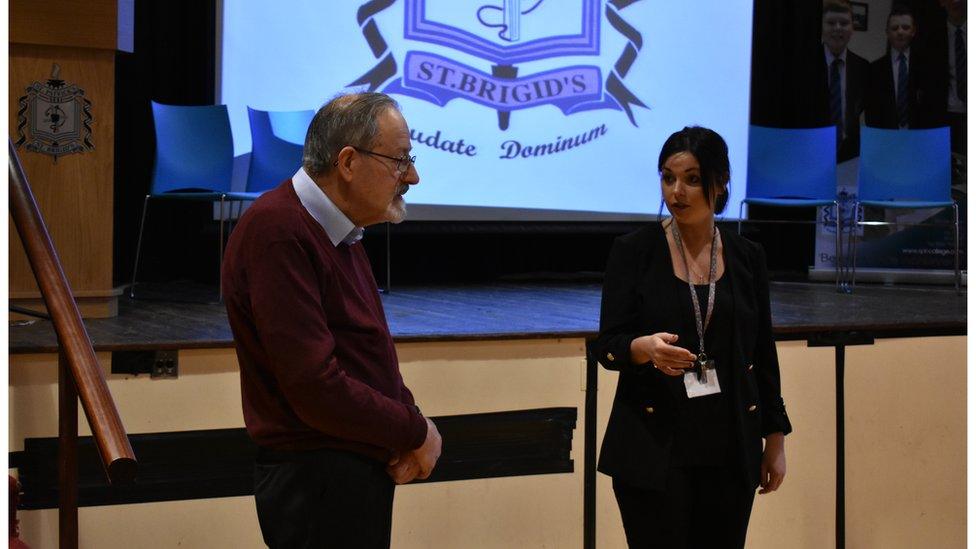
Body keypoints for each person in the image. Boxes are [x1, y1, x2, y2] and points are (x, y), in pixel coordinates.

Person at [222, 92, 441, 548]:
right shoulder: (279, 231)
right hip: (317, 477)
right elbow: (315, 386)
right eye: (400, 161)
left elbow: (367, 353)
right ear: (347, 162)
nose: (413, 177)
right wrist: (414, 431)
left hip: (344, 470)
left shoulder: (338, 230)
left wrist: (409, 422)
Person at [594, 127, 792, 548]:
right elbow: (607, 344)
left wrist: (774, 438)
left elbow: (762, 353)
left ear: (720, 185)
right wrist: (642, 349)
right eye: (668, 178)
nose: (676, 191)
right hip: (654, 449)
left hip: (729, 450)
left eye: (692, 179)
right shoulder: (634, 251)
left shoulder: (746, 257)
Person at [865, 6, 941, 129]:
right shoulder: (874, 69)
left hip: (919, 135)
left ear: (913, 31)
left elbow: (932, 106)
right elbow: (872, 111)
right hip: (886, 136)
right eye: (894, 28)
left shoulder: (927, 67)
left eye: (905, 27)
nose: (900, 32)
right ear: (887, 32)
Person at [821, 0, 870, 161]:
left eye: (844, 23)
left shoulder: (863, 67)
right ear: (822, 27)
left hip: (850, 154)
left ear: (852, 29)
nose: (837, 28)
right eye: (831, 23)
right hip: (812, 150)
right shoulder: (805, 64)